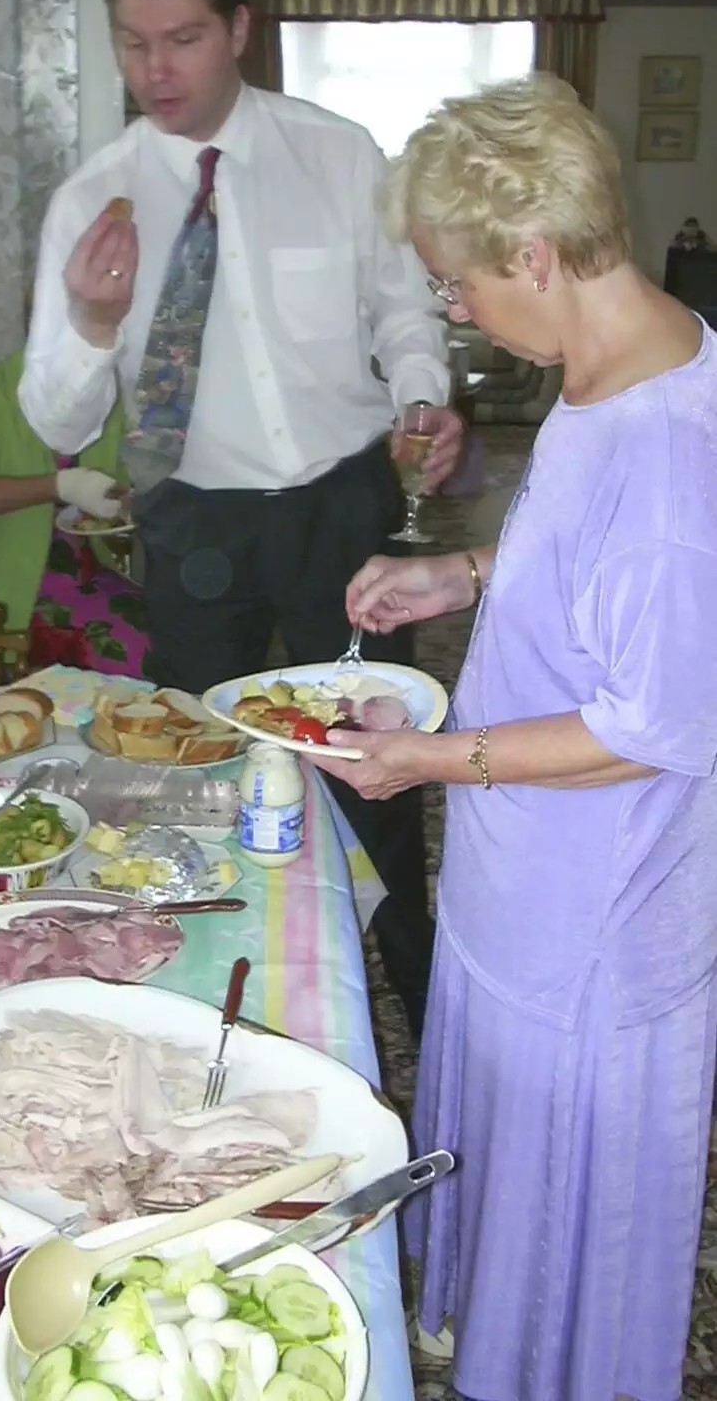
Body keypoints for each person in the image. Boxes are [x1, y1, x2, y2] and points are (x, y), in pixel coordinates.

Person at [313, 75, 717, 1401]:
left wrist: (424, 760)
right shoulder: (611, 362)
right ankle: (476, 1322)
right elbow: (577, 561)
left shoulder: (666, 457)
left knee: (566, 1193)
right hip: (521, 878)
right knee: (496, 1134)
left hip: (589, 918)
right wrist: (462, 576)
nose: (449, 307)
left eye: (456, 281)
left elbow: (642, 725)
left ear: (533, 255)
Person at [18, 0, 464, 1034]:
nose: (153, 71)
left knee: (373, 756)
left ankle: (411, 980)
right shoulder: (93, 200)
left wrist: (421, 397)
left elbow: (402, 309)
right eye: (131, 43)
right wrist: (85, 317)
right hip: (191, 516)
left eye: (181, 40)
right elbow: (54, 420)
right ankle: (220, 990)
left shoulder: (336, 151)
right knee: (190, 768)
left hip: (338, 503)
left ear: (238, 30)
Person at [0, 350, 150, 676]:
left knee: (182, 630)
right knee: (133, 652)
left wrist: (126, 504)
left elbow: (112, 488)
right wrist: (60, 486)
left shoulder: (105, 396)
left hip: (89, 576)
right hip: (6, 595)